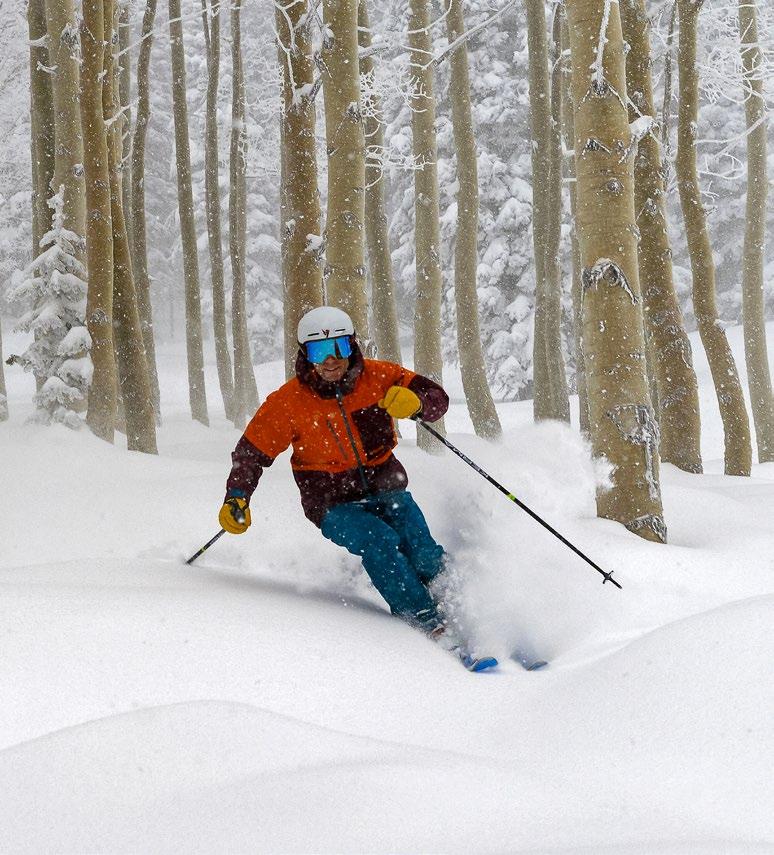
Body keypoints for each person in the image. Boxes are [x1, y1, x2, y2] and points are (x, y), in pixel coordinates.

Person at [219, 305, 456, 646]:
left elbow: (437, 398)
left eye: (339, 347)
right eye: (319, 351)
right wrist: (237, 497)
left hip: (386, 487)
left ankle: (455, 599)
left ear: (352, 345)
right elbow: (250, 454)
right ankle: (422, 617)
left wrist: (417, 403)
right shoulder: (288, 403)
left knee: (422, 550)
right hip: (331, 502)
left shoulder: (379, 377)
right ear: (305, 354)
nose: (330, 360)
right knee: (379, 541)